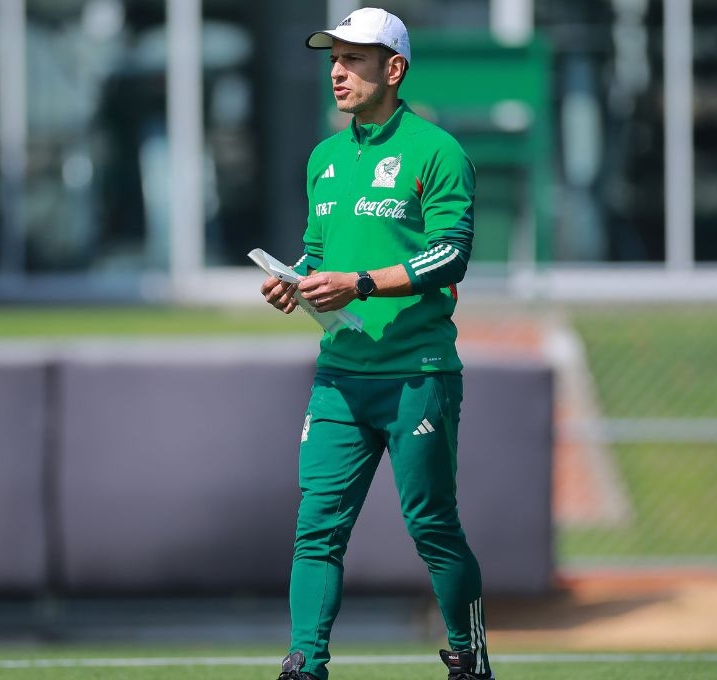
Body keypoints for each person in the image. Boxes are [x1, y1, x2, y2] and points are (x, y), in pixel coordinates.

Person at [259, 8, 493, 680]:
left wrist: (360, 283)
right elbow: (315, 258)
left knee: (432, 529)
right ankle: (305, 662)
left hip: (417, 373)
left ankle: (470, 655)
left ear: (394, 69)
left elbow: (451, 254)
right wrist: (294, 287)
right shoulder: (324, 159)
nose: (337, 70)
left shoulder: (437, 151)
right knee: (317, 529)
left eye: (354, 58)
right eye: (333, 57)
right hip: (340, 377)